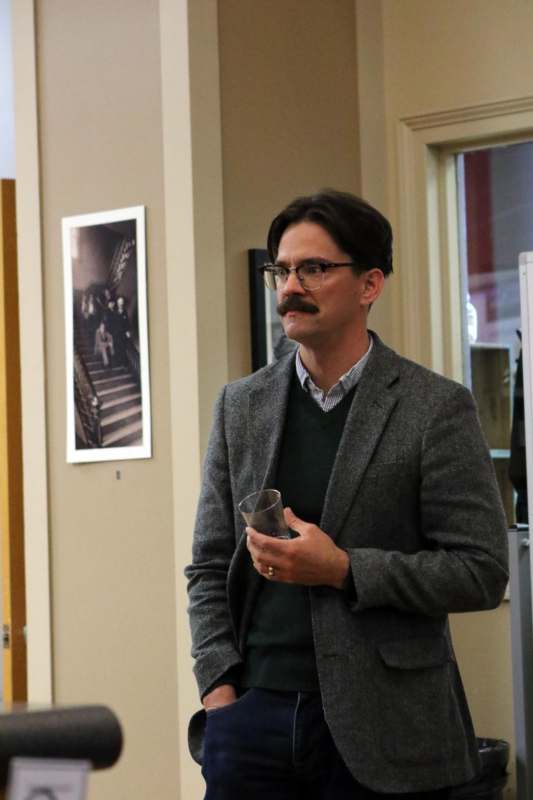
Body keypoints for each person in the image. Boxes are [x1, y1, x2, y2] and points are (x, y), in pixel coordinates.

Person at [185, 189, 509, 799]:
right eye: (281, 270)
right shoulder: (240, 406)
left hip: (389, 729)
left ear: (369, 284)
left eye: (313, 268)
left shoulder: (435, 407)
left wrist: (343, 569)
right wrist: (219, 692)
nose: (290, 287)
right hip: (252, 723)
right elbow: (208, 564)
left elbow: (481, 571)